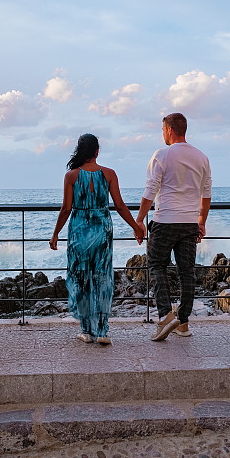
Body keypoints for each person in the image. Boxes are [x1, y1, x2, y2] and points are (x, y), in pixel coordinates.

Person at [50, 133, 145, 345]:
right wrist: (136, 227)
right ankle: (103, 331)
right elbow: (120, 206)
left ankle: (86, 331)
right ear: (97, 151)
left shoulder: (71, 176)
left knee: (81, 278)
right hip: (102, 229)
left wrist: (55, 233)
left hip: (79, 231)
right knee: (102, 278)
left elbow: (66, 209)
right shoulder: (109, 174)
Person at [136, 113, 212, 341]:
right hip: (189, 222)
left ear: (169, 130)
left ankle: (165, 315)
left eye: (163, 130)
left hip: (165, 220)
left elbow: (151, 190)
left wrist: (139, 220)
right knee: (186, 271)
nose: (163, 134)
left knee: (156, 265)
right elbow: (206, 194)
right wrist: (202, 221)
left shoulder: (162, 154)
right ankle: (184, 323)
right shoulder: (201, 157)